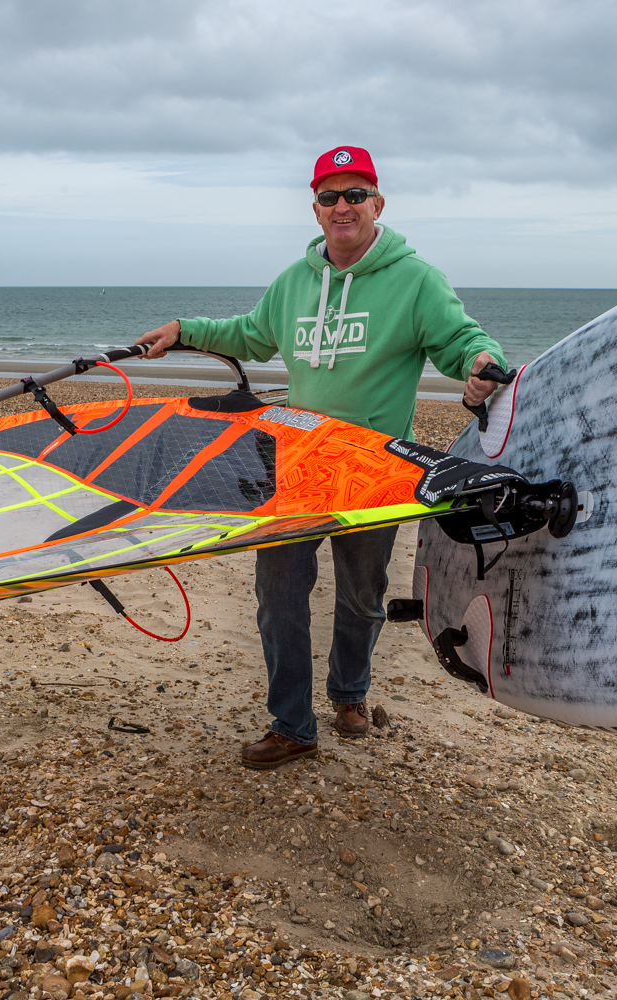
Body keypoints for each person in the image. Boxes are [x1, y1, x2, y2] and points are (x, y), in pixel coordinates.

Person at [135, 146, 508, 770]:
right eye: (331, 197)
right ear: (315, 210)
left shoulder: (416, 280)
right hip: (296, 463)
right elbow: (250, 334)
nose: (343, 207)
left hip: (375, 469)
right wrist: (184, 328)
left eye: (355, 195)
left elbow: (459, 338)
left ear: (377, 205)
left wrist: (479, 365)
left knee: (361, 599)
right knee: (277, 592)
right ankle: (292, 724)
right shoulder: (293, 282)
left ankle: (349, 694)